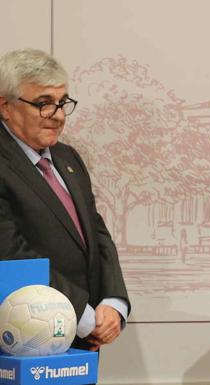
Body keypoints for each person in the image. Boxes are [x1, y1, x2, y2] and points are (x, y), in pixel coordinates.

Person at [0, 48, 130, 351]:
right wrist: (81, 315)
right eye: (43, 104)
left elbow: (96, 233)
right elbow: (9, 252)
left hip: (82, 339)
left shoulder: (67, 156)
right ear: (5, 106)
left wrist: (113, 301)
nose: (57, 116)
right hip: (24, 342)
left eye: (62, 103)